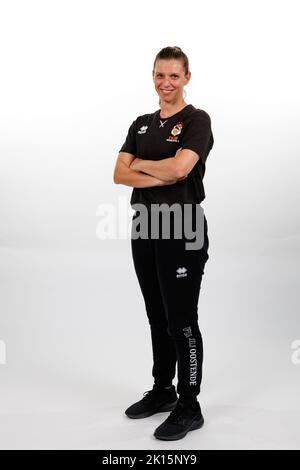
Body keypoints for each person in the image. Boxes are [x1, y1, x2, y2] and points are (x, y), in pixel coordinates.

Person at [113, 46, 214, 441]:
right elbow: (119, 174)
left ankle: (190, 406)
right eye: (160, 75)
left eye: (174, 76)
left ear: (187, 77)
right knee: (157, 317)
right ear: (152, 76)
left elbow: (181, 168)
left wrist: (140, 164)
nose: (166, 83)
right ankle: (163, 391)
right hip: (145, 227)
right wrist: (155, 171)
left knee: (181, 322)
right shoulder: (140, 123)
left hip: (183, 228)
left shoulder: (196, 120)